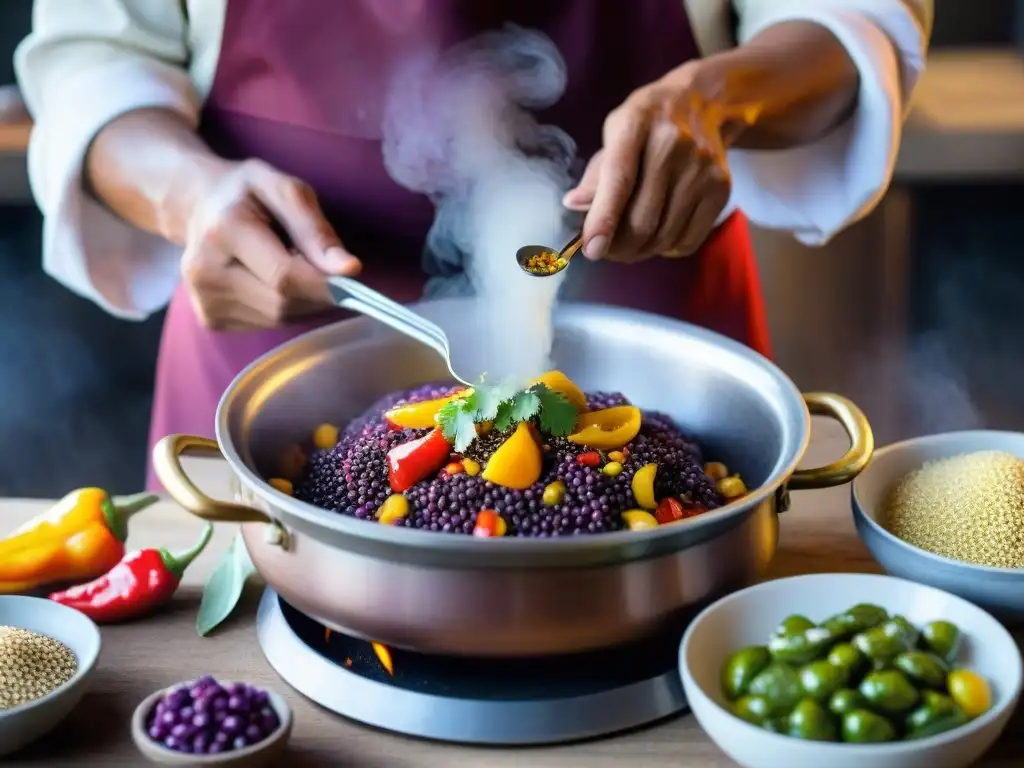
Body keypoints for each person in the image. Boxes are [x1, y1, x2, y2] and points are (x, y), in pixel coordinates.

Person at [15, 0, 931, 490]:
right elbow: (93, 59)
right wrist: (193, 195)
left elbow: (852, 16)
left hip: (647, 319)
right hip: (277, 322)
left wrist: (716, 99)